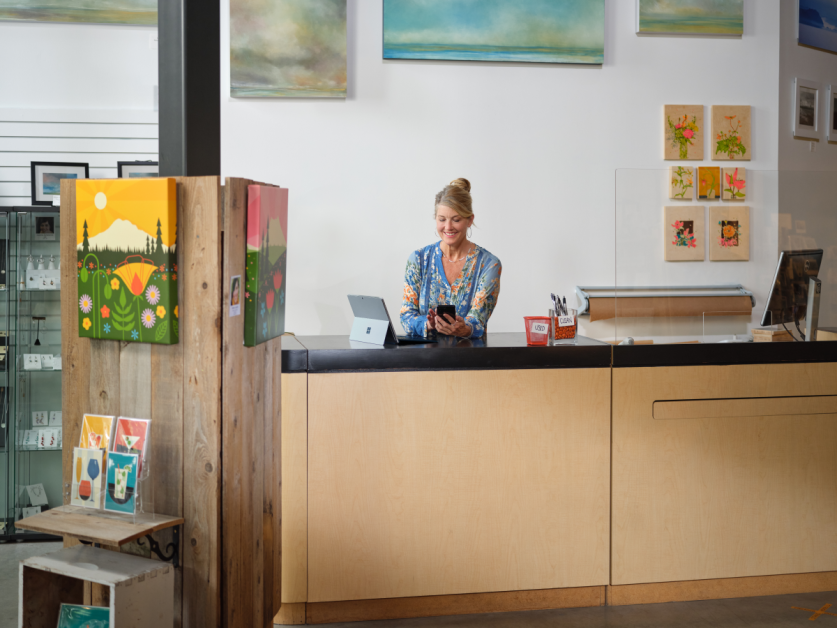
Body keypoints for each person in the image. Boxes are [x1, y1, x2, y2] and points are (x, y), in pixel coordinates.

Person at [400, 178, 501, 338]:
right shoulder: (418, 260)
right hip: (423, 359)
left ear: (470, 220)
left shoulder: (488, 264)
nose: (448, 227)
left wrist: (466, 328)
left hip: (470, 358)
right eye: (442, 219)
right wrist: (428, 324)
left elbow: (478, 319)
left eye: (456, 219)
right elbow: (406, 316)